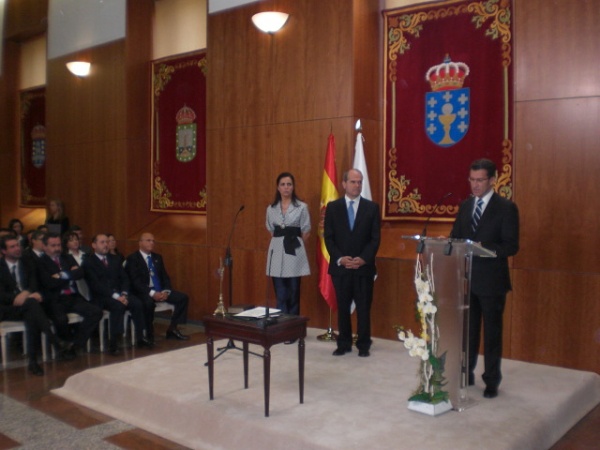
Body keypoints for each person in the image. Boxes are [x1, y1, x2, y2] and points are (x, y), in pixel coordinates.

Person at [450, 158, 519, 399]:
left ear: (492, 180)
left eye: (480, 180)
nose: (475, 185)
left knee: (492, 332)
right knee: (468, 331)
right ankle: (466, 372)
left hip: (492, 281)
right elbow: (455, 237)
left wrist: (484, 247)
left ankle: (491, 379)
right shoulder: (466, 206)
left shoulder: (506, 208)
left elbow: (511, 245)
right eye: (472, 180)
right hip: (467, 279)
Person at [324, 169, 381, 357]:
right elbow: (329, 238)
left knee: (364, 308)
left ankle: (364, 344)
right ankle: (344, 343)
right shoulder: (333, 207)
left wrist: (363, 258)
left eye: (359, 182)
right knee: (343, 307)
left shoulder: (371, 208)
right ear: (344, 184)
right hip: (341, 268)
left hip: (363, 267)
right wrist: (341, 258)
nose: (357, 185)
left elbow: (375, 239)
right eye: (353, 182)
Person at [0, 236, 72, 375]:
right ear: (3, 250)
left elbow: (34, 283)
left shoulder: (27, 263)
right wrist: (18, 297)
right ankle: (53, 342)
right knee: (33, 307)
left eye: (18, 245)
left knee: (31, 313)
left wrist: (26, 293)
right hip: (6, 308)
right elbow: (1, 295)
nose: (17, 249)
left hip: (27, 304)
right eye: (12, 247)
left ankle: (34, 361)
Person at [83, 234, 152, 354]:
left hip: (119, 294)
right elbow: (96, 285)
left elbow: (125, 278)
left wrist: (124, 294)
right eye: (102, 242)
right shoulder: (89, 262)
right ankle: (114, 342)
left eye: (106, 242)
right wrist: (117, 296)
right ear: (94, 245)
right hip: (101, 297)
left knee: (137, 303)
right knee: (118, 306)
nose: (105, 245)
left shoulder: (114, 259)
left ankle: (140, 337)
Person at [36, 232, 102, 357]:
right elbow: (49, 283)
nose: (57, 248)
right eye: (53, 245)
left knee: (96, 312)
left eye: (59, 245)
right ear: (44, 247)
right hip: (55, 299)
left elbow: (80, 273)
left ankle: (76, 344)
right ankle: (64, 348)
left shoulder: (66, 257)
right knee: (61, 320)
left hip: (72, 296)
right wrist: (70, 275)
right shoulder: (40, 262)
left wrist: (62, 275)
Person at [125, 233, 189, 342]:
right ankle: (148, 333)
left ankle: (173, 328)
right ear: (140, 242)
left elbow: (165, 277)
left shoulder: (157, 257)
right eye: (148, 240)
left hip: (159, 290)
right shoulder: (133, 259)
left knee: (183, 298)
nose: (151, 243)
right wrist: (152, 293)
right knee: (148, 303)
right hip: (143, 292)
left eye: (153, 241)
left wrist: (166, 291)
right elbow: (135, 282)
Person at [265, 172, 311, 318]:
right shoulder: (271, 209)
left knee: (293, 291)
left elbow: (306, 231)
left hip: (294, 251)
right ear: (278, 188)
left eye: (289, 184)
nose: (286, 188)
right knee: (280, 292)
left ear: (293, 187)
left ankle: (292, 328)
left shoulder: (302, 207)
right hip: (277, 252)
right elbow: (271, 230)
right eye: (283, 184)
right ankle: (281, 327)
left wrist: (294, 245)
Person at [63, 231, 91, 301]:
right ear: (66, 244)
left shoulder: (86, 255)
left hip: (89, 282)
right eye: (71, 240)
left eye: (76, 239)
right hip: (75, 285)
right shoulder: (64, 257)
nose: (75, 242)